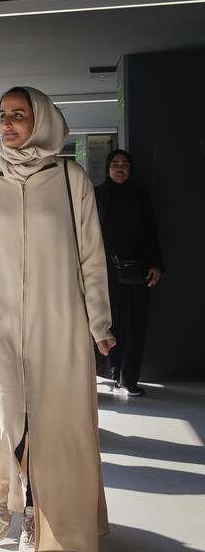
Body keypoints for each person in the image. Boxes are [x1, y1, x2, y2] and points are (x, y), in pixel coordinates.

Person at [0, 86, 115, 552]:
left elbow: (91, 255)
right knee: (3, 415)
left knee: (49, 423)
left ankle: (31, 512)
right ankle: (3, 491)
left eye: (18, 114)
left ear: (40, 120)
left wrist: (100, 322)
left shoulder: (70, 178)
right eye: (2, 114)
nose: (7, 123)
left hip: (57, 321)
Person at [95, 148, 163, 396]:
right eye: (115, 164)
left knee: (134, 326)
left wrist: (156, 264)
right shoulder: (98, 195)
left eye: (124, 164)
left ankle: (128, 379)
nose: (120, 168)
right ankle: (102, 376)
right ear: (108, 168)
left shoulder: (140, 196)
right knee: (105, 324)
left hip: (137, 272)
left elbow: (151, 232)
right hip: (104, 272)